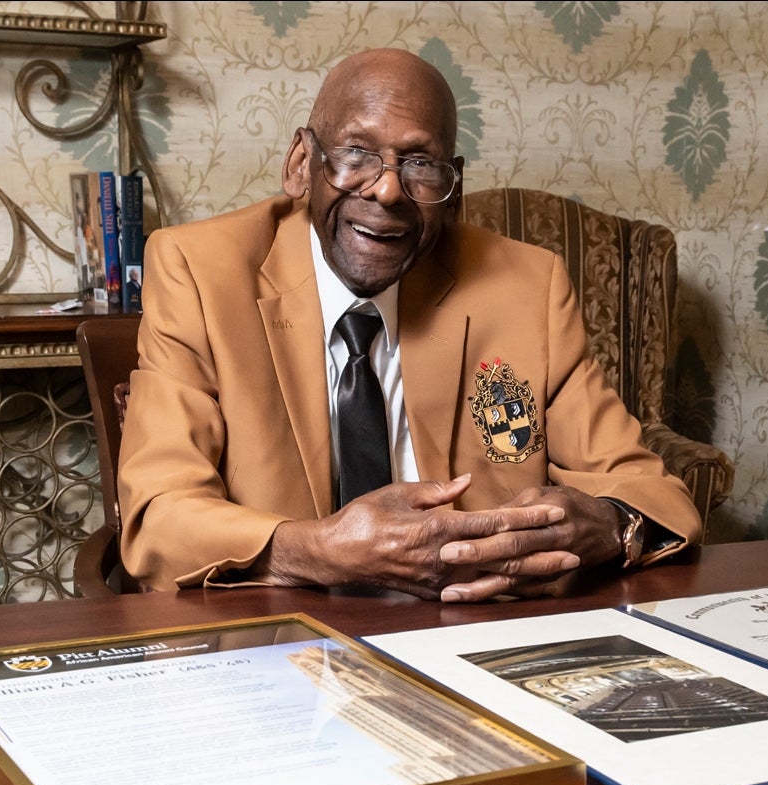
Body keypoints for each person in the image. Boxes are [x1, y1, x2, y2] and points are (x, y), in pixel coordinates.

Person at [118, 48, 702, 602]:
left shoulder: (528, 287)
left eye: (420, 164)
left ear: (453, 190)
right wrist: (324, 551)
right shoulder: (198, 272)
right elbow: (159, 518)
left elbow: (651, 493)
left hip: (473, 634)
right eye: (356, 154)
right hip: (280, 642)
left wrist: (604, 524)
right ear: (301, 164)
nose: (388, 188)